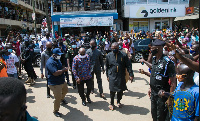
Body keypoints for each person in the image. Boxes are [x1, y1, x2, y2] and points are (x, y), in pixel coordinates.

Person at [149, 39, 176, 121]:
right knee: (154, 113)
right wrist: (150, 88)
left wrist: (170, 98)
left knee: (161, 116)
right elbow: (153, 75)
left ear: (159, 49)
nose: (151, 51)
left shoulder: (168, 62)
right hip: (154, 93)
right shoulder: (154, 59)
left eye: (153, 49)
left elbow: (173, 82)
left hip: (162, 94)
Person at [106, 42, 134, 110]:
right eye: (112, 49)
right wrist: (107, 75)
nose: (114, 50)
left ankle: (118, 101)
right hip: (112, 75)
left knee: (120, 90)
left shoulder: (123, 55)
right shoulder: (109, 55)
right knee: (112, 90)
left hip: (121, 75)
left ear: (118, 48)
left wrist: (131, 74)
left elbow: (128, 65)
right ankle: (111, 103)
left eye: (115, 48)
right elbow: (107, 66)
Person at [46, 48, 68, 117]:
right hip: (54, 83)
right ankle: (56, 111)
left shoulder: (57, 59)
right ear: (54, 55)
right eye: (58, 55)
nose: (60, 56)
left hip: (61, 80)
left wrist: (63, 67)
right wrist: (63, 70)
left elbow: (60, 67)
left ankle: (62, 99)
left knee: (65, 90)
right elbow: (55, 73)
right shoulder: (50, 62)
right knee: (57, 98)